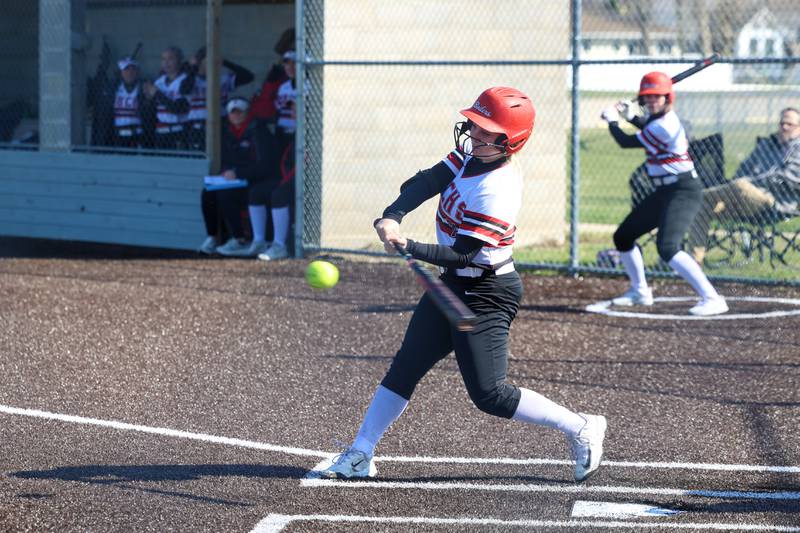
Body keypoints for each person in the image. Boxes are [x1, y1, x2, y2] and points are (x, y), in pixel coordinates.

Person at [322, 87, 607, 483]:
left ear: (510, 141)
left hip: (488, 292)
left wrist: (409, 245)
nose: (474, 132)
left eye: (486, 129)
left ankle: (579, 425)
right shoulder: (470, 157)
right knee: (406, 366)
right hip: (453, 286)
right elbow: (426, 180)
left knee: (489, 395)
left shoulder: (498, 188)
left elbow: (464, 254)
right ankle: (361, 452)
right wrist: (393, 215)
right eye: (475, 124)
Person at [600, 71, 728, 316]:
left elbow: (627, 142)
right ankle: (640, 292)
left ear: (668, 98)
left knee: (668, 246)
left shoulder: (666, 124)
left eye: (657, 97)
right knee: (624, 237)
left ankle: (712, 298)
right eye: (647, 97)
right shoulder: (658, 122)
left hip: (683, 190)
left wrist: (613, 120)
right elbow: (648, 128)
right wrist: (631, 116)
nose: (651, 101)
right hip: (664, 190)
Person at [688, 107, 800, 264]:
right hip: (743, 201)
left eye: (790, 124)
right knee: (701, 206)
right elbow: (743, 168)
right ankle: (693, 263)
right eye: (782, 123)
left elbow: (788, 179)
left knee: (740, 185)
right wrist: (747, 182)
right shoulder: (766, 145)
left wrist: (752, 182)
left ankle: (695, 195)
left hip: (774, 204)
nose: (784, 127)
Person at [200, 97, 276, 256]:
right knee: (207, 192)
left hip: (256, 180)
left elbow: (265, 166)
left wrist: (238, 173)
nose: (236, 115)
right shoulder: (226, 131)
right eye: (232, 113)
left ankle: (239, 239)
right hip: (236, 179)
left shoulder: (258, 131)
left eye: (240, 112)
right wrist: (227, 172)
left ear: (247, 112)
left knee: (226, 193)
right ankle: (213, 237)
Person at [256, 50, 298, 261]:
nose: (290, 66)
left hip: (303, 143)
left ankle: (280, 245)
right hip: (284, 140)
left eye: (294, 62)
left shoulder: (309, 84)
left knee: (282, 192)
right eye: (286, 63)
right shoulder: (282, 86)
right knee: (263, 190)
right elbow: (264, 111)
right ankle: (262, 241)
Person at [182, 46, 255, 152]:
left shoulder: (223, 79)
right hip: (198, 126)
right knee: (198, 157)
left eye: (214, 61)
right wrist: (194, 67)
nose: (212, 64)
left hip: (220, 123)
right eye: (208, 61)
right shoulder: (191, 79)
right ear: (200, 62)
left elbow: (248, 76)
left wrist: (225, 62)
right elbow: (184, 90)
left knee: (222, 154)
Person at [143, 46, 190, 150]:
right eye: (164, 59)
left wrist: (156, 94)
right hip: (161, 132)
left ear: (179, 60)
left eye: (171, 58)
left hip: (179, 131)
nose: (166, 62)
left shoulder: (186, 81)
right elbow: (150, 112)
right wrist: (147, 98)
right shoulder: (158, 82)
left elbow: (179, 109)